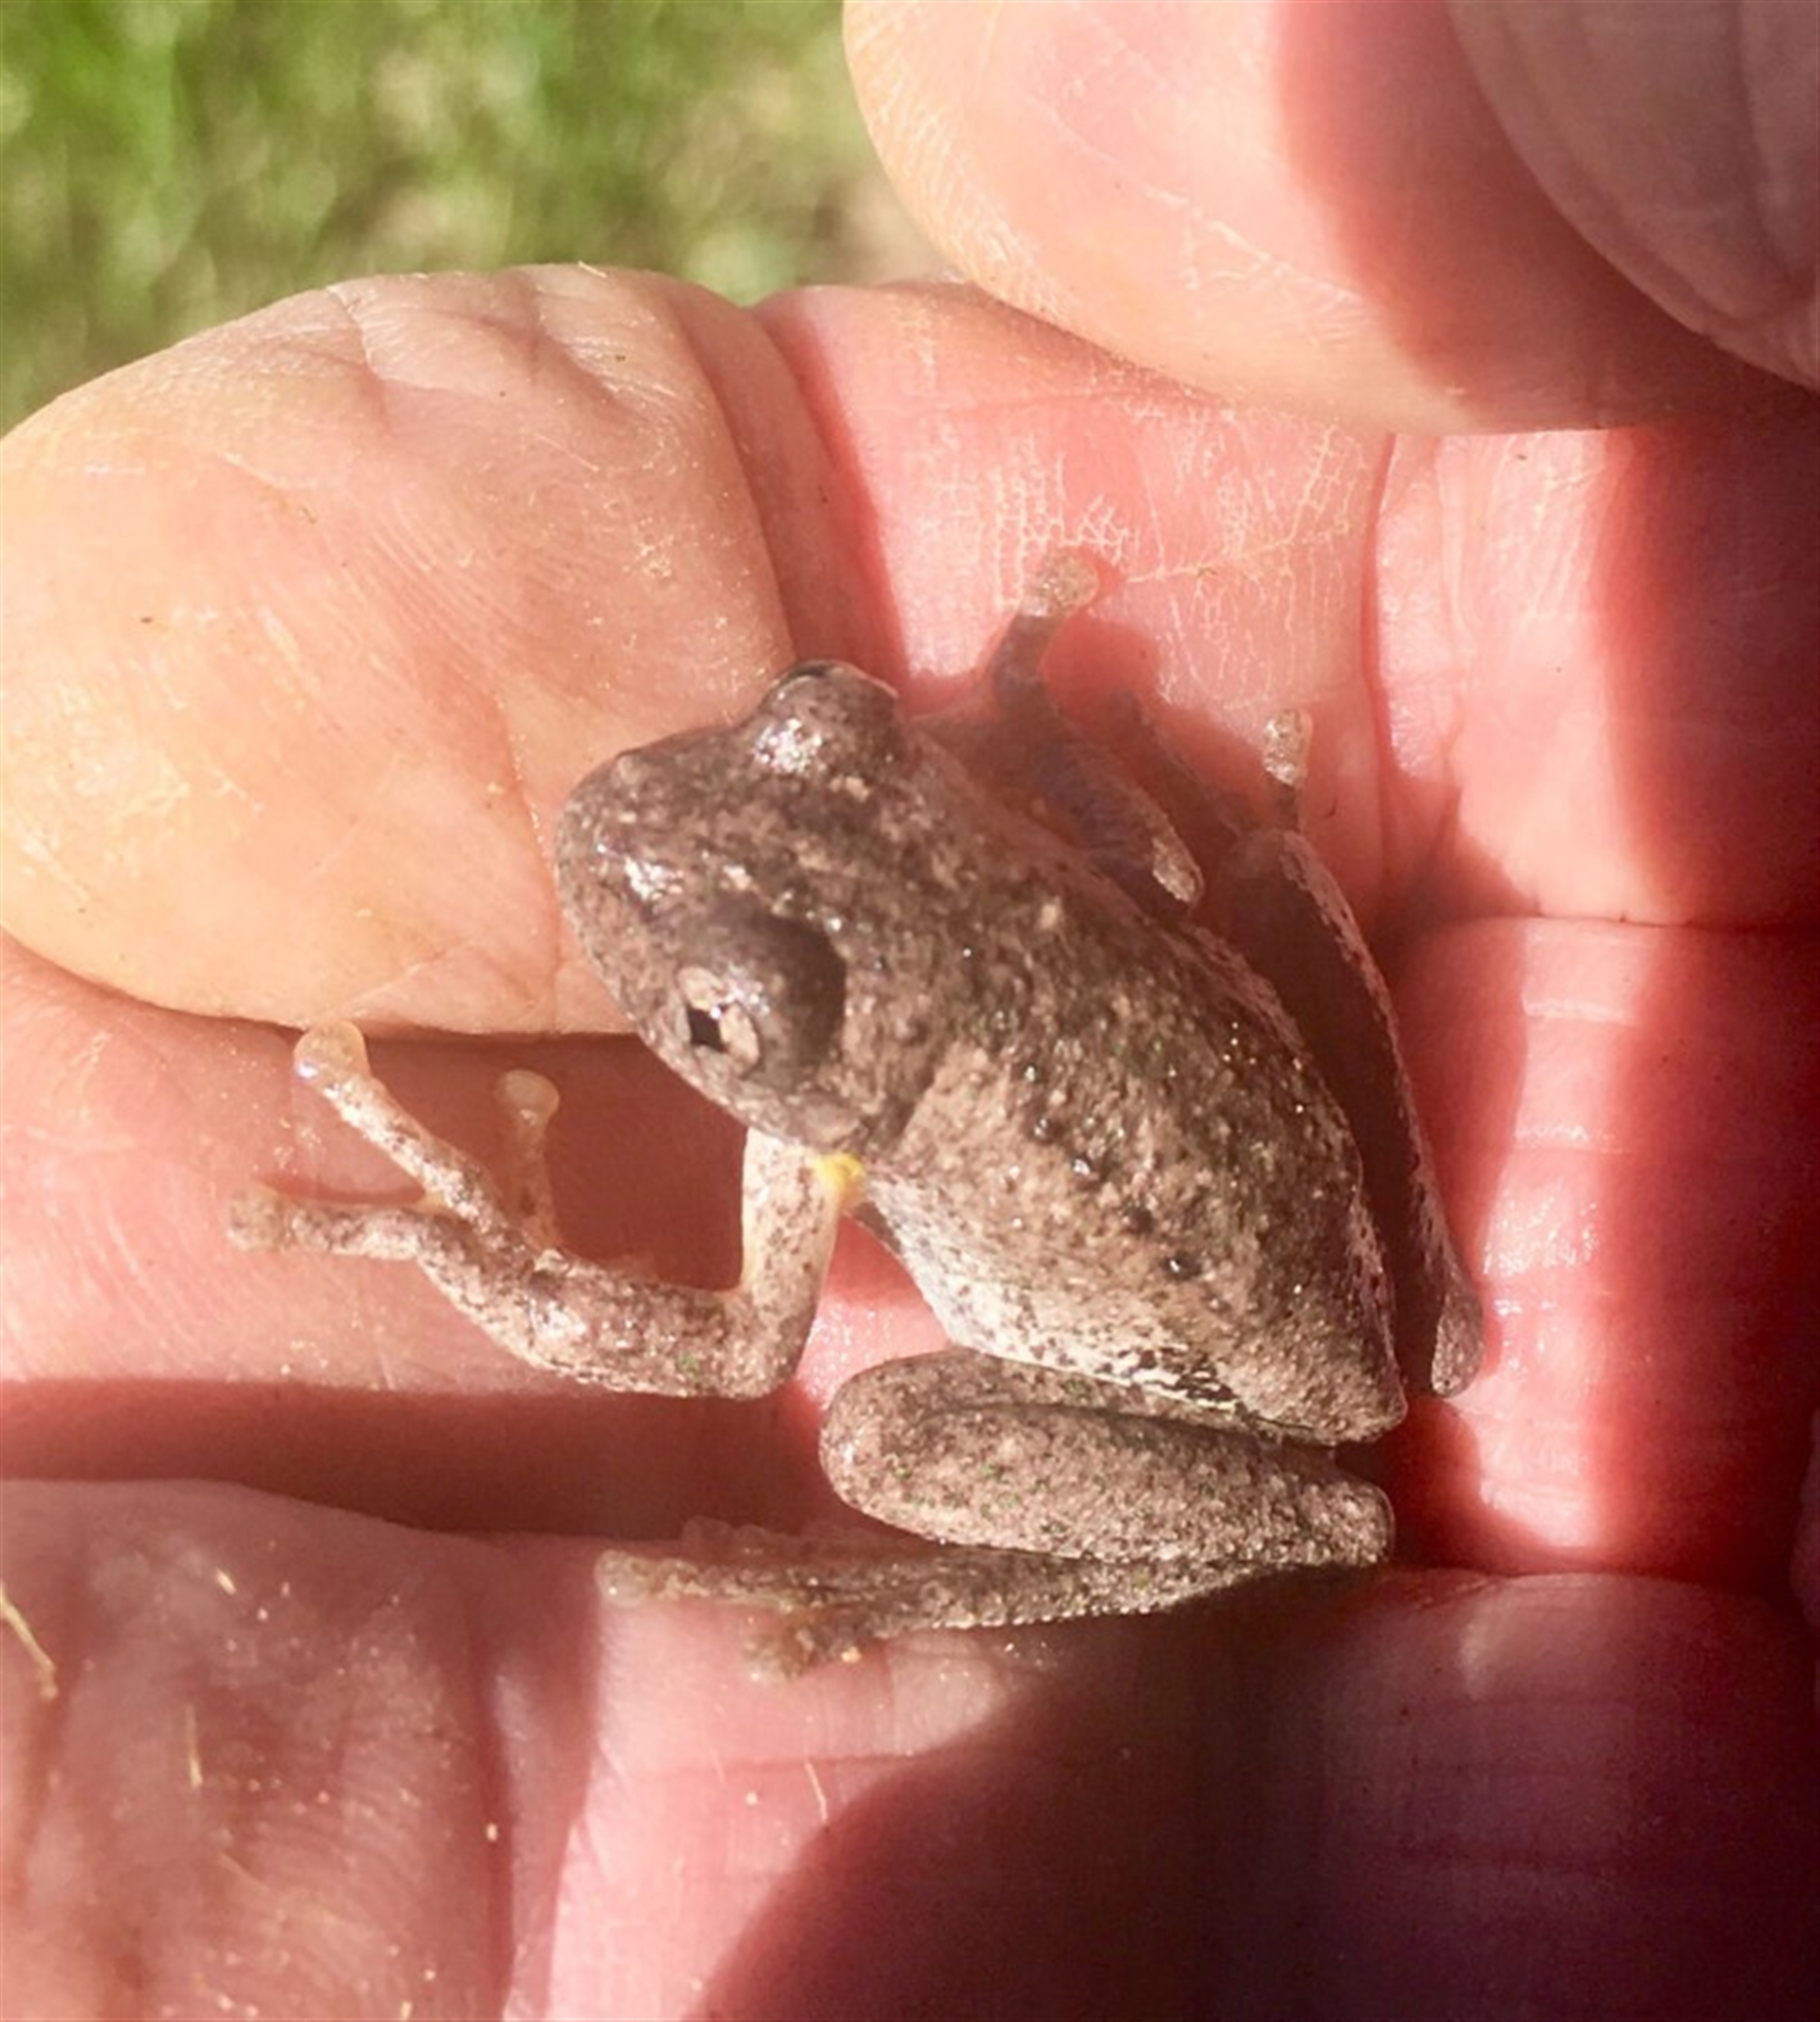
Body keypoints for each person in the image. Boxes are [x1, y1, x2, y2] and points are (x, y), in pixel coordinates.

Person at [3, 5, 1814, 2013]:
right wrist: (1050, 730)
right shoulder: (990, 848)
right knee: (1254, 889)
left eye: (723, 1023)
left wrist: (457, 1240)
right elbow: (1139, 882)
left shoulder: (842, 1113)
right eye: (813, 725)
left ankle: (989, 1568)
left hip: (1223, 1368)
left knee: (877, 1431)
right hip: (1313, 1248)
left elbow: (733, 1346)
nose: (650, 817)